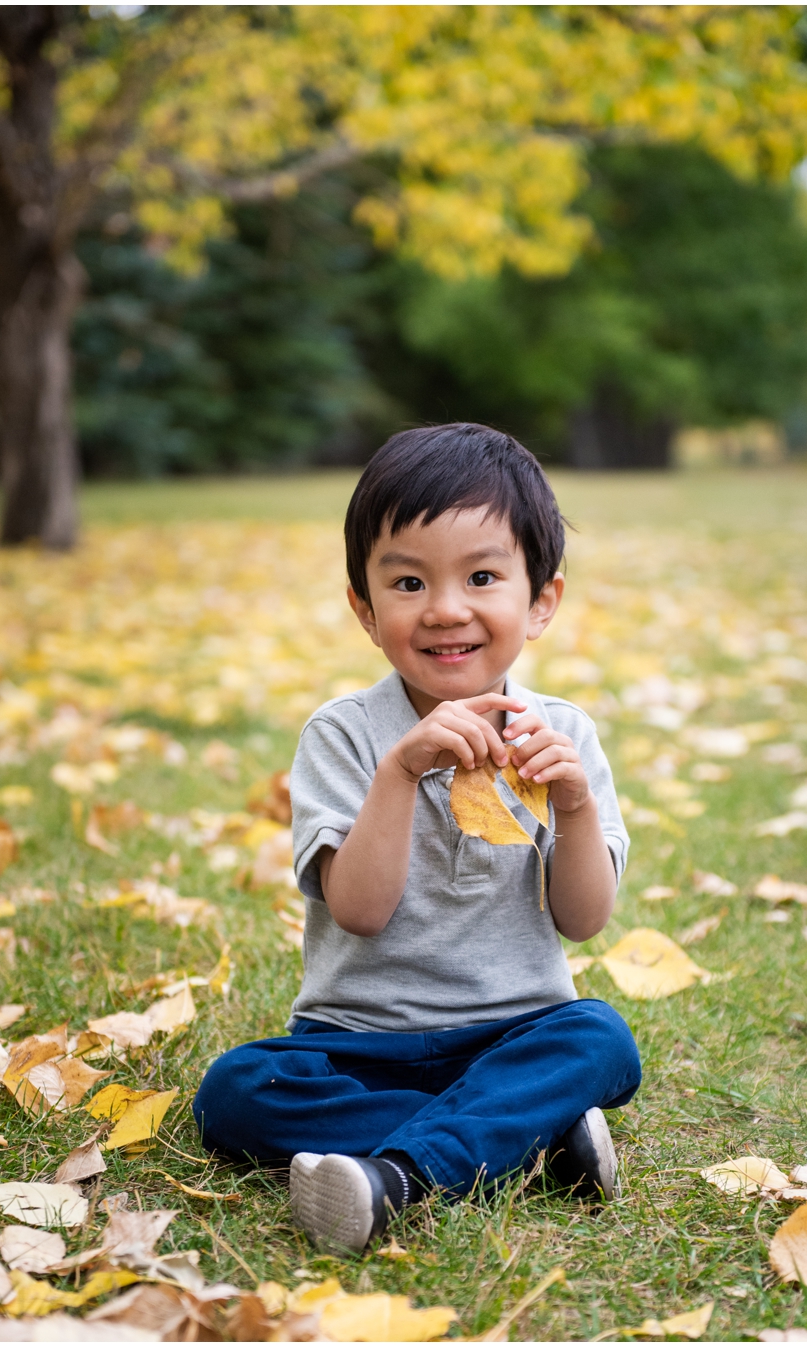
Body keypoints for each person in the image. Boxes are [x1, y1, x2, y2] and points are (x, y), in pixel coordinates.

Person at [192, 423, 641, 1254]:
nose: (444, 609)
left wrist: (573, 803)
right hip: (356, 1045)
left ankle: (396, 1175)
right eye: (407, 581)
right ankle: (527, 1135)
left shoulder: (565, 736)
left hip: (516, 1032)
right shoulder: (344, 737)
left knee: (603, 1039)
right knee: (233, 1091)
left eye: (481, 576)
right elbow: (360, 909)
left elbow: (583, 919)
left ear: (541, 599)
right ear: (365, 609)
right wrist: (398, 774)